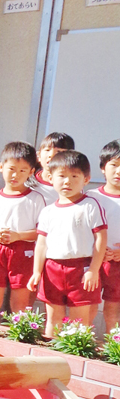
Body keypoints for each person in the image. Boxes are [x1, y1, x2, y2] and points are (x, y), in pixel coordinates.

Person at [28, 150, 106, 338]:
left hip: (81, 268)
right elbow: (41, 243)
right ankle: (51, 360)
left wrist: (93, 270)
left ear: (86, 179)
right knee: (53, 319)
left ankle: (75, 361)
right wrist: (37, 272)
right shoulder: (48, 211)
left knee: (79, 322)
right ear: (50, 177)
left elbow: (101, 238)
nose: (67, 181)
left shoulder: (90, 205)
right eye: (61, 176)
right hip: (52, 268)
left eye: (74, 176)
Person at [0, 142, 44, 322]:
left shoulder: (35, 198)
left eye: (22, 170)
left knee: (20, 303)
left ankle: (19, 337)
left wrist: (18, 236)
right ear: (1, 167)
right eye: (11, 169)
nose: (15, 175)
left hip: (24, 251)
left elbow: (42, 232)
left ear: (31, 172)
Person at [90, 139, 120, 332]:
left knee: (112, 310)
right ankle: (82, 344)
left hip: (118, 263)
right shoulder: (91, 197)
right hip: (93, 262)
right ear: (103, 167)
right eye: (114, 165)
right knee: (88, 306)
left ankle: (113, 350)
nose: (118, 171)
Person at [30, 131, 74, 206]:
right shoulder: (26, 183)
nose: (51, 155)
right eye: (47, 150)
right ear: (38, 155)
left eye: (59, 152)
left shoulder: (73, 185)